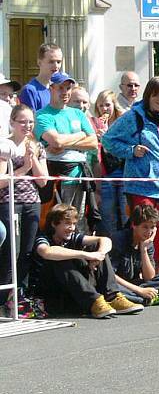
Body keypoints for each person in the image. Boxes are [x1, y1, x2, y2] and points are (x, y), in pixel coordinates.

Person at [102, 76, 159, 271]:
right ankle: (139, 270)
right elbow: (108, 140)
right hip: (141, 185)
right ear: (148, 95)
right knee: (143, 228)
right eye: (157, 94)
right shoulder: (133, 117)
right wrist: (131, 151)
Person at [32, 203, 144, 318]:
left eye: (74, 224)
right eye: (67, 224)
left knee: (97, 247)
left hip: (73, 291)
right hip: (52, 294)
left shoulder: (72, 237)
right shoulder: (43, 238)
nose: (71, 228)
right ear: (54, 224)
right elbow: (46, 252)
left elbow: (105, 240)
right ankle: (94, 301)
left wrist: (98, 255)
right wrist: (86, 255)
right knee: (60, 257)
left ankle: (112, 297)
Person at [34, 72, 98, 229]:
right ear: (51, 88)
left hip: (80, 175)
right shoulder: (42, 115)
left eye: (68, 88)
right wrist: (81, 135)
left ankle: (78, 252)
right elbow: (55, 140)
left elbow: (93, 142)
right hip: (57, 176)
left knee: (79, 220)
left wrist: (64, 143)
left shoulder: (77, 113)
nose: (65, 92)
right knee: (59, 221)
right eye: (60, 88)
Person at [0, 105, 48, 294]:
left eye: (30, 122)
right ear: (12, 122)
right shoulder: (5, 146)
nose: (27, 125)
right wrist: (23, 169)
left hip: (32, 202)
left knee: (27, 251)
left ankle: (22, 293)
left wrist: (32, 159)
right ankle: (4, 296)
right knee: (12, 250)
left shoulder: (38, 146)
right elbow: (1, 181)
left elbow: (43, 181)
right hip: (9, 202)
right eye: (22, 121)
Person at [109, 204, 159, 306]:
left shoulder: (147, 243)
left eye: (152, 227)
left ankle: (139, 297)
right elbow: (110, 276)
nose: (149, 232)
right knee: (113, 291)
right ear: (134, 225)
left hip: (135, 284)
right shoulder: (118, 239)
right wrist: (139, 290)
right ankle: (146, 299)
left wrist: (143, 249)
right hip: (118, 284)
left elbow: (150, 278)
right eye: (145, 227)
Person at [91, 90, 128, 231]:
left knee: (125, 212)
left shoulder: (123, 122)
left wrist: (106, 137)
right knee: (107, 213)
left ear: (114, 105)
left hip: (124, 172)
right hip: (106, 173)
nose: (104, 109)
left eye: (107, 105)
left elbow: (121, 150)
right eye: (101, 106)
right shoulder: (95, 125)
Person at [19, 43, 62, 112]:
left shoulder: (61, 88)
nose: (56, 66)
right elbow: (30, 120)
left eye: (58, 62)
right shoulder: (30, 90)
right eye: (51, 62)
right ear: (39, 62)